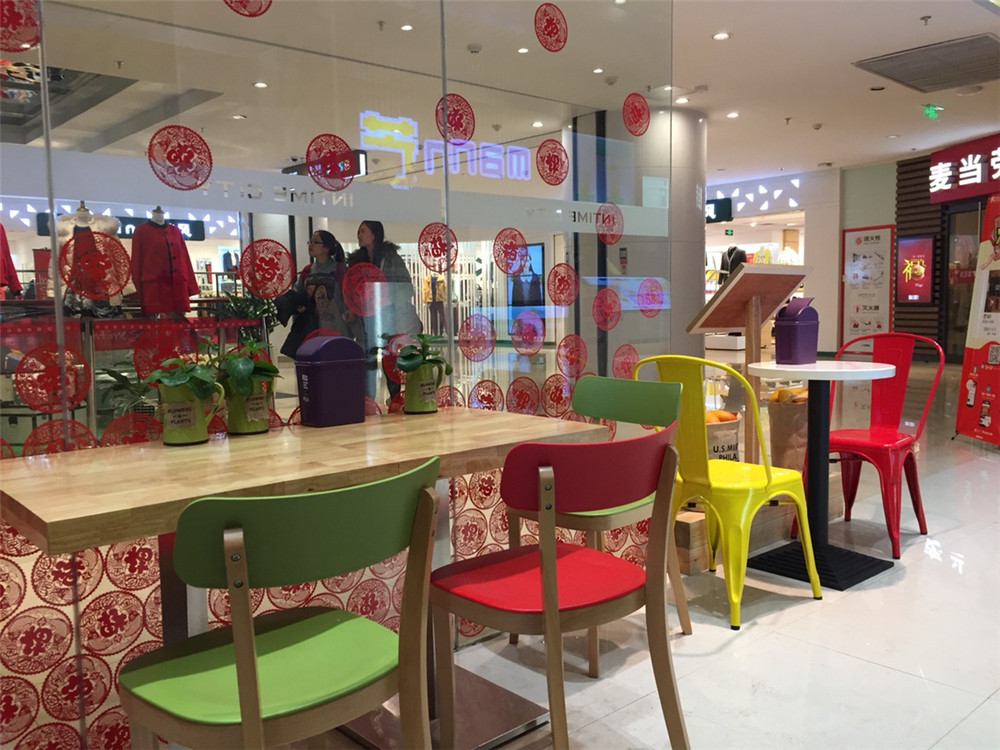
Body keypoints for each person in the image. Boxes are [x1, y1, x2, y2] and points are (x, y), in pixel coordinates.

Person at [346, 220, 421, 399]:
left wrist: (389, 298)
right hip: (366, 317)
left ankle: (395, 397)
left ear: (374, 234)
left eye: (363, 231)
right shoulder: (357, 261)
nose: (359, 235)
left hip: (389, 315)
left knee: (390, 356)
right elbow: (351, 289)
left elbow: (405, 287)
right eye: (359, 231)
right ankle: (368, 399)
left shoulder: (391, 258)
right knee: (368, 358)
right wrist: (353, 308)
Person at [278, 230, 360, 358]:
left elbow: (353, 297)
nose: (310, 245)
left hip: (338, 329)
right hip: (312, 331)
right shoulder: (307, 271)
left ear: (326, 247)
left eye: (315, 242)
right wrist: (298, 306)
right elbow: (297, 295)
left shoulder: (341, 271)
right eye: (309, 242)